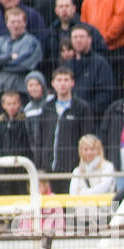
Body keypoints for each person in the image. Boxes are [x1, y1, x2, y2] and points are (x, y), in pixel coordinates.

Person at [36, 66, 93, 194]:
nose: (62, 83)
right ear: (53, 83)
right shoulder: (46, 108)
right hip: (48, 170)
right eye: (59, 80)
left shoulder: (81, 108)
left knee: (70, 208)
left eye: (66, 80)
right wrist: (39, 164)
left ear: (72, 83)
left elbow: (87, 138)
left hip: (72, 169)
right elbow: (39, 139)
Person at [0, 89, 33, 192]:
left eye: (14, 103)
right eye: (8, 104)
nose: (11, 107)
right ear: (3, 105)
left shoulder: (25, 121)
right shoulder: (0, 123)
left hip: (20, 166)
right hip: (5, 166)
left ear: (19, 104)